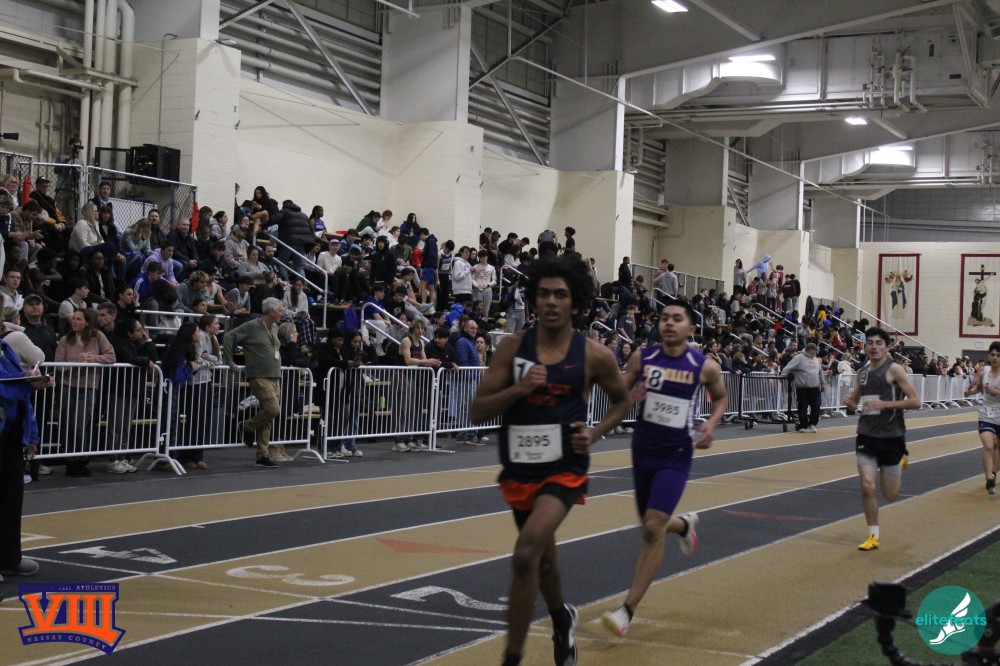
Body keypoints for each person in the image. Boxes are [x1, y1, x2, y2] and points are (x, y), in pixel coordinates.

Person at [469, 254, 631, 666]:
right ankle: (561, 618)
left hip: (564, 468)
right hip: (520, 467)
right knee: (543, 561)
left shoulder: (594, 355)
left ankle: (512, 658)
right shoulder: (512, 348)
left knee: (526, 553)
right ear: (534, 299)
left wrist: (594, 433)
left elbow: (622, 402)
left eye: (561, 294)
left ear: (576, 303)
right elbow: (477, 412)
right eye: (543, 294)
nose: (551, 302)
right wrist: (518, 390)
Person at [601, 301, 727, 638]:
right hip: (643, 449)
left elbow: (720, 399)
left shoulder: (704, 366)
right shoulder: (642, 358)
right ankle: (683, 525)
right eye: (665, 318)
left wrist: (711, 423)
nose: (669, 323)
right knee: (650, 524)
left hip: (676, 453)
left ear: (691, 329)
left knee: (652, 527)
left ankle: (626, 611)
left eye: (677, 319)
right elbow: (620, 394)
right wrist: (632, 394)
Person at [842, 327, 921, 551]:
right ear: (865, 346)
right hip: (866, 435)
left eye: (879, 343)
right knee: (867, 486)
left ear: (887, 347)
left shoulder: (895, 370)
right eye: (870, 343)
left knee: (890, 494)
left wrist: (885, 404)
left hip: (892, 437)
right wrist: (850, 404)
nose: (874, 347)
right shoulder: (862, 372)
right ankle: (873, 535)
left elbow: (916, 401)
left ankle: (901, 459)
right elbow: (855, 403)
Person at [0, 333, 50, 581]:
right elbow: (7, 388)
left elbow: (21, 397)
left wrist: (31, 435)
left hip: (10, 433)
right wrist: (27, 384)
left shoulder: (4, 348)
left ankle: (9, 559)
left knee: (11, 498)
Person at [223, 297, 285, 468]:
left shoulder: (274, 327)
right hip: (259, 375)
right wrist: (229, 361)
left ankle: (262, 455)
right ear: (271, 311)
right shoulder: (251, 326)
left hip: (275, 375)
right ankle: (246, 426)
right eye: (280, 310)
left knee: (269, 417)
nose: (282, 313)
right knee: (273, 409)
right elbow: (229, 337)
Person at [964, 341, 1000, 494]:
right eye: (992, 355)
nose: (995, 358)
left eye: (998, 355)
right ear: (988, 356)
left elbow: (992, 390)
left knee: (998, 448)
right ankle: (989, 479)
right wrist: (969, 392)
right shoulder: (983, 371)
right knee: (989, 446)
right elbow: (978, 388)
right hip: (986, 414)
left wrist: (995, 391)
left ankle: (994, 472)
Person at [781, 341, 824, 432]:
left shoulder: (815, 359)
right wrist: (784, 377)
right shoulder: (799, 358)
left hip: (815, 387)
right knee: (803, 407)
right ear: (809, 350)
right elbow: (787, 368)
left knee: (816, 406)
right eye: (814, 351)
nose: (815, 352)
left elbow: (820, 372)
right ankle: (803, 425)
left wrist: (823, 383)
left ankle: (812, 424)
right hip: (803, 387)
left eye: (815, 351)